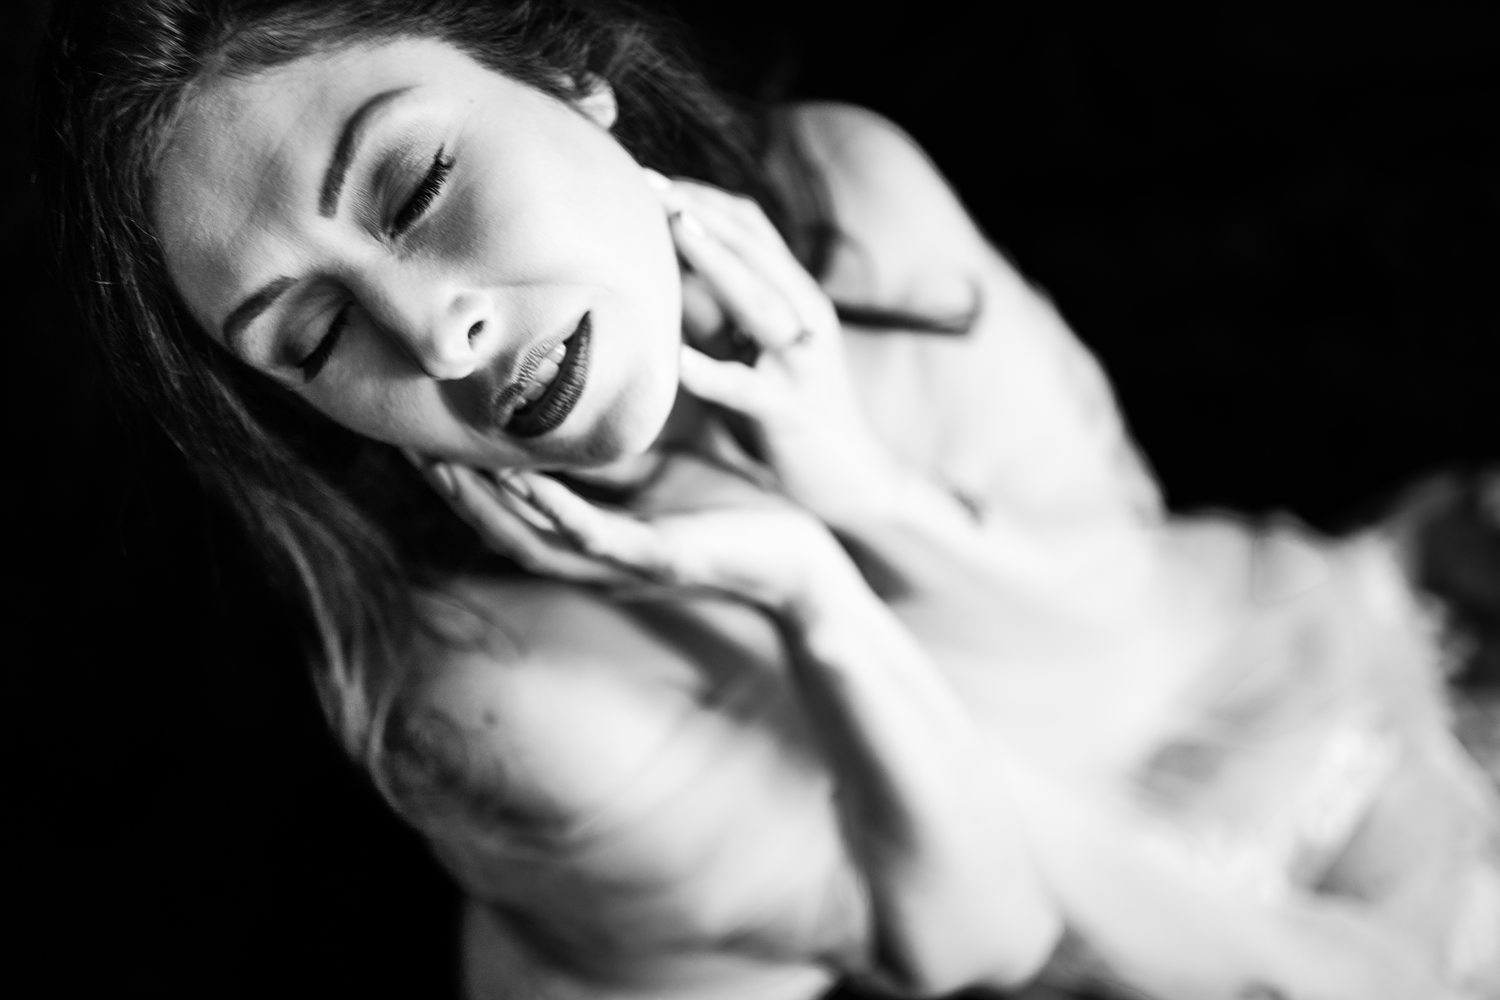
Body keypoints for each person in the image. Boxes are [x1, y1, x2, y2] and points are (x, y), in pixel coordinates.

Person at [36, 1, 1499, 998]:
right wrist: (812, 591)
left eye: (416, 189)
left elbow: (1128, 613)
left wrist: (865, 493)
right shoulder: (482, 694)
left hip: (1204, 719)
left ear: (567, 81)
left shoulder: (850, 195)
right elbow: (980, 940)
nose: (436, 334)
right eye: (314, 337)